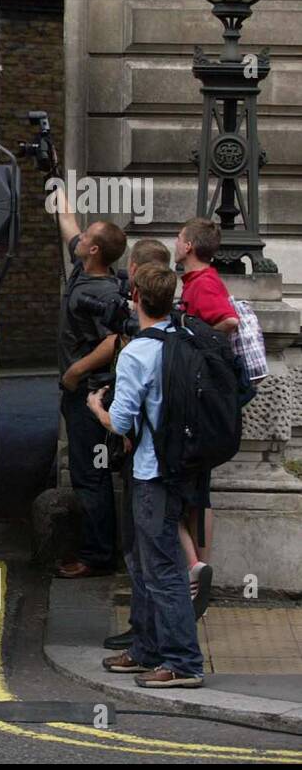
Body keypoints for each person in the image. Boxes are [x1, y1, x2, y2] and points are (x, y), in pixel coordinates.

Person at [92, 263, 204, 689]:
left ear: (134, 296)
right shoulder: (182, 339)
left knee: (161, 568)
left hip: (151, 473)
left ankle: (183, 661)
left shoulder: (138, 351)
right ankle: (147, 649)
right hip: (177, 466)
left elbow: (120, 423)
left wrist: (95, 408)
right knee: (145, 563)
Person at [53, 187, 128, 580]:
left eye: (87, 238)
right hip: (78, 391)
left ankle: (98, 556)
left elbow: (114, 339)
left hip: (90, 394)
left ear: (95, 250)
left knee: (91, 475)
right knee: (89, 473)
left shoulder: (102, 292)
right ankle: (98, 551)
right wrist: (57, 187)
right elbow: (70, 224)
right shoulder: (86, 270)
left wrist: (75, 372)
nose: (79, 238)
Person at [172, 216, 234, 601]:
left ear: (190, 246)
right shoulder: (193, 282)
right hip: (200, 403)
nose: (176, 243)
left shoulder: (205, 282)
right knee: (198, 496)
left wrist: (195, 347)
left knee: (190, 496)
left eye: (179, 239)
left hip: (200, 404)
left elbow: (227, 321)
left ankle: (197, 574)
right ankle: (200, 574)